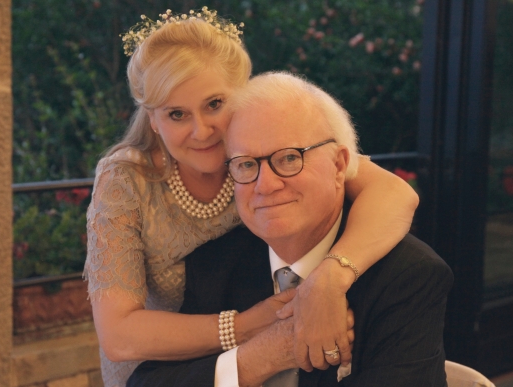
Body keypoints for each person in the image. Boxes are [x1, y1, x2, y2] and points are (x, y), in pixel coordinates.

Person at [84, 8, 419, 387]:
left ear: (240, 94)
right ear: (154, 120)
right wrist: (244, 326)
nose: (202, 131)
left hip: (278, 348)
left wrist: (329, 279)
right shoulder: (125, 180)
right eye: (177, 114)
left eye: (214, 104)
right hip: (165, 369)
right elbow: (118, 336)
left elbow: (394, 193)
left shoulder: (265, 140)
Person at [128, 72, 453, 387]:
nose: (265, 185)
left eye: (288, 158)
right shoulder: (216, 265)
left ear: (339, 166)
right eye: (246, 164)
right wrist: (258, 359)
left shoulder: (407, 278)